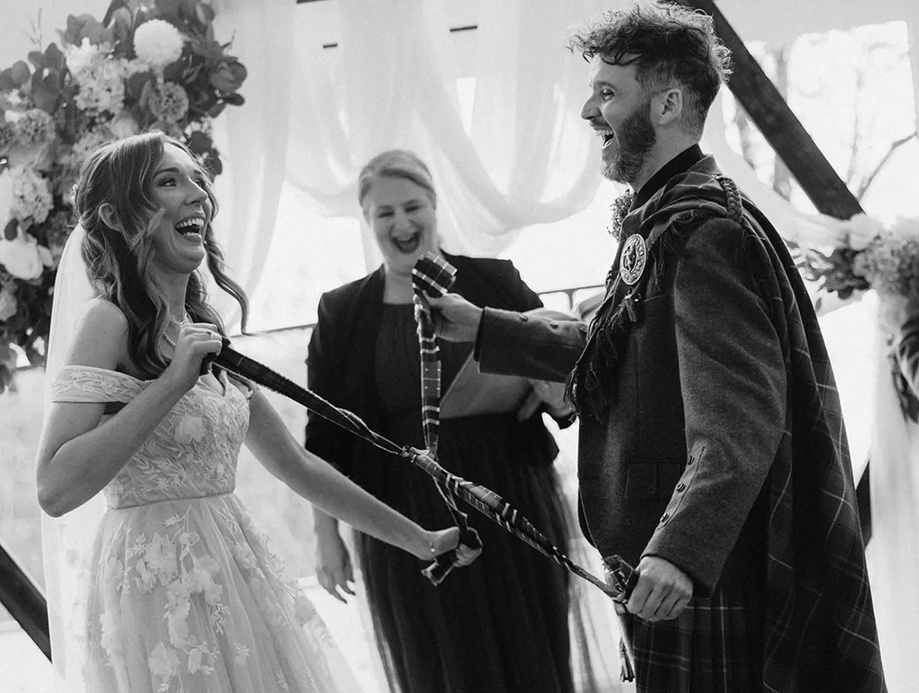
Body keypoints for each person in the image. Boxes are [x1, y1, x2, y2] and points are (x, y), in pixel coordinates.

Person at [428, 3, 887, 692]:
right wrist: (486, 327)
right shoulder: (668, 216)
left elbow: (737, 423)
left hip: (697, 574)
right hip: (665, 568)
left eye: (607, 92)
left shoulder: (703, 234)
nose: (589, 110)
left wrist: (678, 554)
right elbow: (627, 355)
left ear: (669, 102)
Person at [34, 131, 476, 693]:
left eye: (197, 179)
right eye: (169, 182)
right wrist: (170, 384)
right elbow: (54, 488)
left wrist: (421, 540)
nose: (197, 195)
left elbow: (298, 466)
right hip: (156, 589)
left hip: (235, 571)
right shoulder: (108, 321)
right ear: (118, 218)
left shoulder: (206, 328)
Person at [305, 149, 581, 693]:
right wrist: (326, 536)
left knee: (530, 657)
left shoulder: (496, 282)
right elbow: (324, 439)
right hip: (405, 516)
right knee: (440, 668)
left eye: (413, 207)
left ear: (435, 206)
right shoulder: (341, 313)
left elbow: (563, 374)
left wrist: (553, 390)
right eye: (385, 213)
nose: (402, 224)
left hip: (510, 494)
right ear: (368, 221)